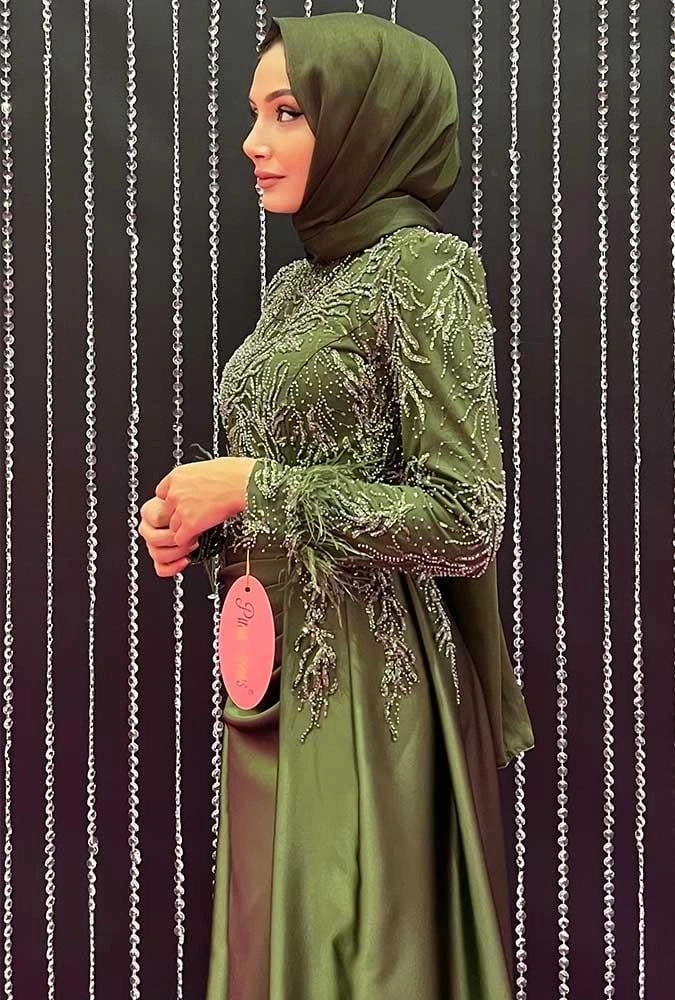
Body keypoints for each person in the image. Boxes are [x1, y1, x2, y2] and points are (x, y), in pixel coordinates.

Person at [138, 11, 534, 999]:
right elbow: (295, 474)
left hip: (372, 694)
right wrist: (202, 519)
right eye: (253, 113)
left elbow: (465, 518)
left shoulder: (424, 268)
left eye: (287, 112)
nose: (253, 140)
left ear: (365, 121)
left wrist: (254, 486)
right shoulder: (292, 289)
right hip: (268, 682)